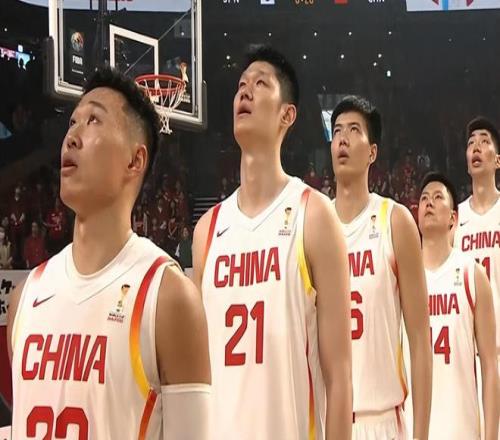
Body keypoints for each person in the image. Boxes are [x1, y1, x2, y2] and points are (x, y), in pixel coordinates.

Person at [7, 67, 211, 439]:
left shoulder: (168, 297)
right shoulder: (25, 298)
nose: (71, 136)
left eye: (93, 121)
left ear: (135, 161)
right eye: (72, 122)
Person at [193, 45, 352, 440]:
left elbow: (340, 376)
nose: (245, 91)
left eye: (261, 84)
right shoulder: (207, 231)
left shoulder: (313, 214)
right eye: (241, 85)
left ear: (287, 115)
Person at [330, 95, 432, 439]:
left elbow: (420, 338)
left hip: (381, 421)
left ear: (372, 152)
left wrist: (421, 434)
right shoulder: (312, 223)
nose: (342, 139)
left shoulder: (395, 220)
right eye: (337, 131)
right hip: (326, 419)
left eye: (353, 130)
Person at [418, 172, 499, 440]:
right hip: (413, 427)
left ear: (453, 219)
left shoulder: (472, 274)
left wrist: (491, 435)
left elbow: (489, 365)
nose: (429, 202)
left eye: (437, 197)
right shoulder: (403, 278)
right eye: (424, 198)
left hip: (462, 429)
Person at [455, 117, 500, 371]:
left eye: (484, 142)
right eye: (471, 143)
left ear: (497, 160)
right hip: (466, 355)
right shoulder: (454, 219)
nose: (476, 147)